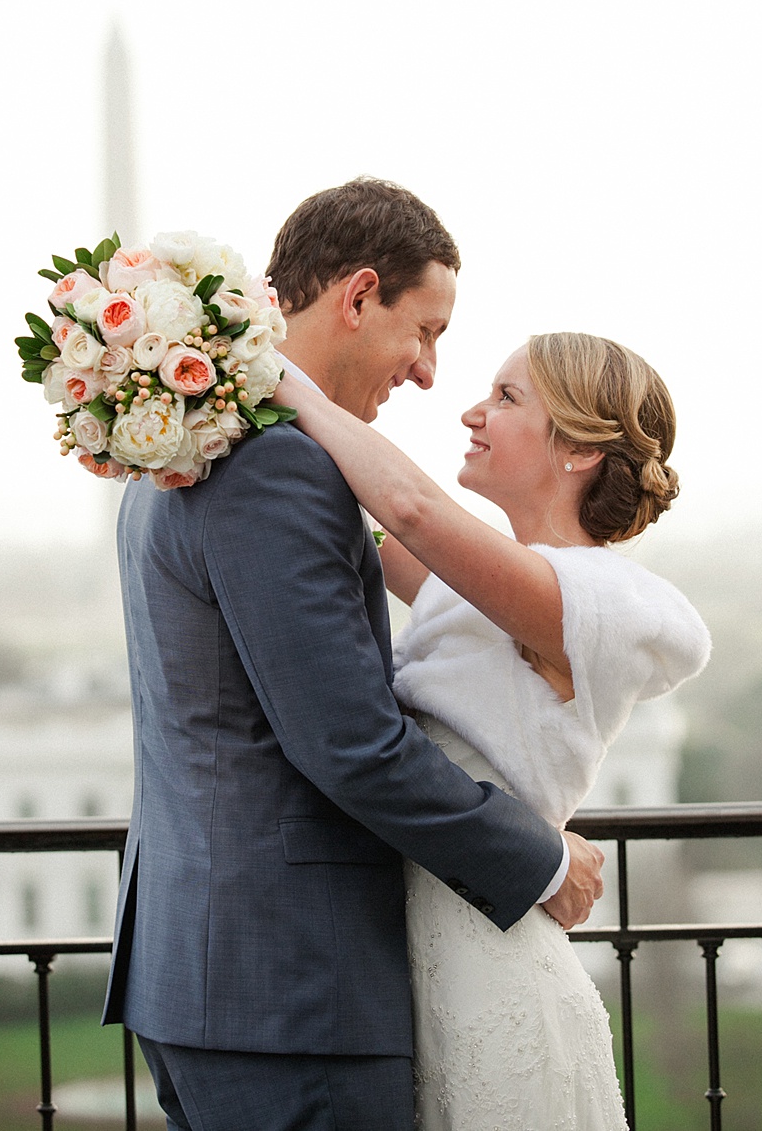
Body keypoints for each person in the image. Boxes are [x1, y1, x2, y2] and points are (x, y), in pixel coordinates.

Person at [102, 180, 605, 1131]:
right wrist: (540, 862)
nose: (425, 371)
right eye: (424, 331)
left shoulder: (173, 441)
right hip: (289, 990)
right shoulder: (276, 462)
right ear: (358, 295)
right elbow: (349, 745)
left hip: (212, 972)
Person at [274, 331, 711, 1130]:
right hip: (416, 940)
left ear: (578, 449)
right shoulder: (484, 582)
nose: (472, 413)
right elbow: (360, 533)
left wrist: (281, 380)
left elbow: (407, 508)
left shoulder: (592, 602)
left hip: (492, 955)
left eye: (506, 399)